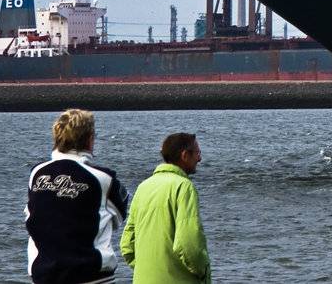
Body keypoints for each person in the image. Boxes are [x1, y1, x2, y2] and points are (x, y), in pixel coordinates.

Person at [25, 108, 129, 284]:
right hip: (91, 275)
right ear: (89, 140)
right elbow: (119, 216)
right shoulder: (104, 179)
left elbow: (33, 215)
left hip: (44, 274)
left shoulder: (37, 173)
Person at [122, 132, 210, 283]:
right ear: (184, 155)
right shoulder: (184, 187)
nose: (200, 159)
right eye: (197, 153)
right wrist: (203, 271)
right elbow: (188, 244)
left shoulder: (143, 187)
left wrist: (147, 270)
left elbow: (127, 244)